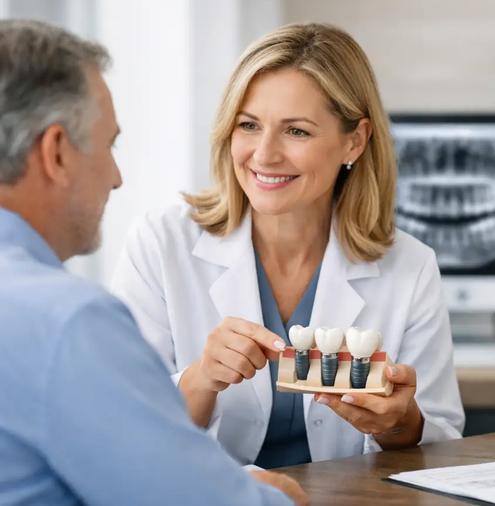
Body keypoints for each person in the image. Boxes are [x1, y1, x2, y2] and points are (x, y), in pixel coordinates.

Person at [110, 23, 465, 468]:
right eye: (249, 125)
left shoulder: (409, 265)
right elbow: (120, 430)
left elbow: (443, 438)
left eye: (296, 131)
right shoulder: (161, 245)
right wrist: (201, 380)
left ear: (354, 141)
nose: (264, 154)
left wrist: (398, 423)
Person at [0, 19, 306, 505]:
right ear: (56, 153)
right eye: (108, 146)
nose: (117, 177)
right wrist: (278, 493)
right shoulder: (65, 321)